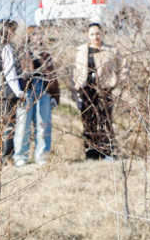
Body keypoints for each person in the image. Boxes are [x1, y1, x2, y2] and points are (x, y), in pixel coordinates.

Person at [72, 23, 122, 160]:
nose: (95, 37)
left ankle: (107, 153)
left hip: (105, 89)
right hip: (86, 90)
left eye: (98, 33)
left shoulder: (112, 51)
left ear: (103, 33)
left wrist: (116, 84)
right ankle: (91, 154)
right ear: (88, 36)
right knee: (88, 121)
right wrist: (77, 87)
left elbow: (122, 68)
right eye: (92, 34)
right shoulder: (81, 51)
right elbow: (76, 71)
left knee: (105, 121)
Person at [13, 25, 60, 166]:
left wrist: (55, 96)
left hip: (43, 90)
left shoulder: (46, 54)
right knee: (23, 124)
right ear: (29, 36)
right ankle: (20, 157)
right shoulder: (22, 51)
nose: (38, 37)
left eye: (40, 34)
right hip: (27, 90)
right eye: (35, 34)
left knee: (43, 124)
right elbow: (16, 72)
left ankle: (42, 157)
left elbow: (53, 75)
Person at [0, 19, 23, 165]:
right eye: (12, 30)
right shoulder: (5, 46)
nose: (14, 33)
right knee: (8, 126)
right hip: (6, 92)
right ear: (6, 30)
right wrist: (18, 91)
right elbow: (9, 72)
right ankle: (5, 157)